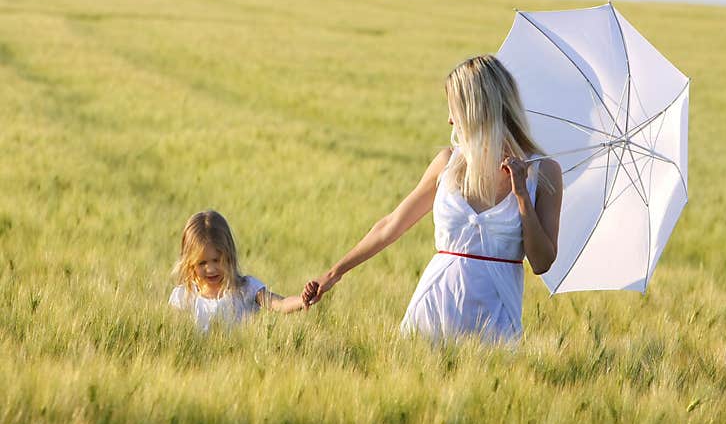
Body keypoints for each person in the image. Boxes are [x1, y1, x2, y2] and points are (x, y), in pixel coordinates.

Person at [303, 55, 563, 343]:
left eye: (455, 108)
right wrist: (334, 273)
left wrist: (522, 195)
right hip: (432, 309)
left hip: (496, 320)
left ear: (477, 109)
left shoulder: (543, 172)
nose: (450, 119)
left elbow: (542, 262)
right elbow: (391, 225)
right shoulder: (447, 163)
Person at [169, 210, 315, 332]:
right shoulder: (184, 297)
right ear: (190, 263)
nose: (211, 269)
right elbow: (171, 335)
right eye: (202, 263)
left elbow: (281, 304)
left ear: (230, 256)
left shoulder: (246, 289)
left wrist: (302, 300)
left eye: (217, 260)